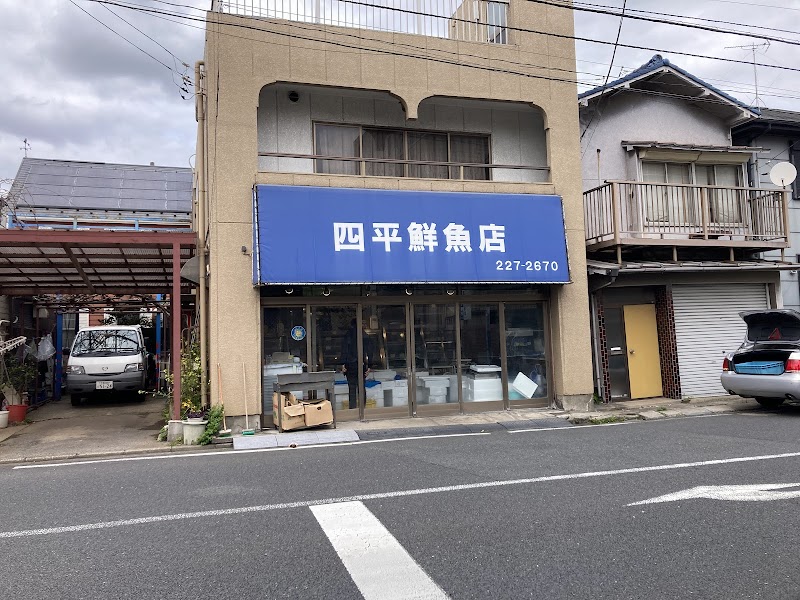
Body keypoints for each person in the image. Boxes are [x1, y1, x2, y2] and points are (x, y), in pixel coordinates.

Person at [341, 318, 369, 409]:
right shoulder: (364, 335)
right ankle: (362, 409)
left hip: (350, 365)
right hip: (361, 364)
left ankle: (352, 408)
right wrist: (369, 365)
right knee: (361, 388)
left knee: (352, 388)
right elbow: (369, 351)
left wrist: (343, 363)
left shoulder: (348, 334)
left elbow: (344, 349)